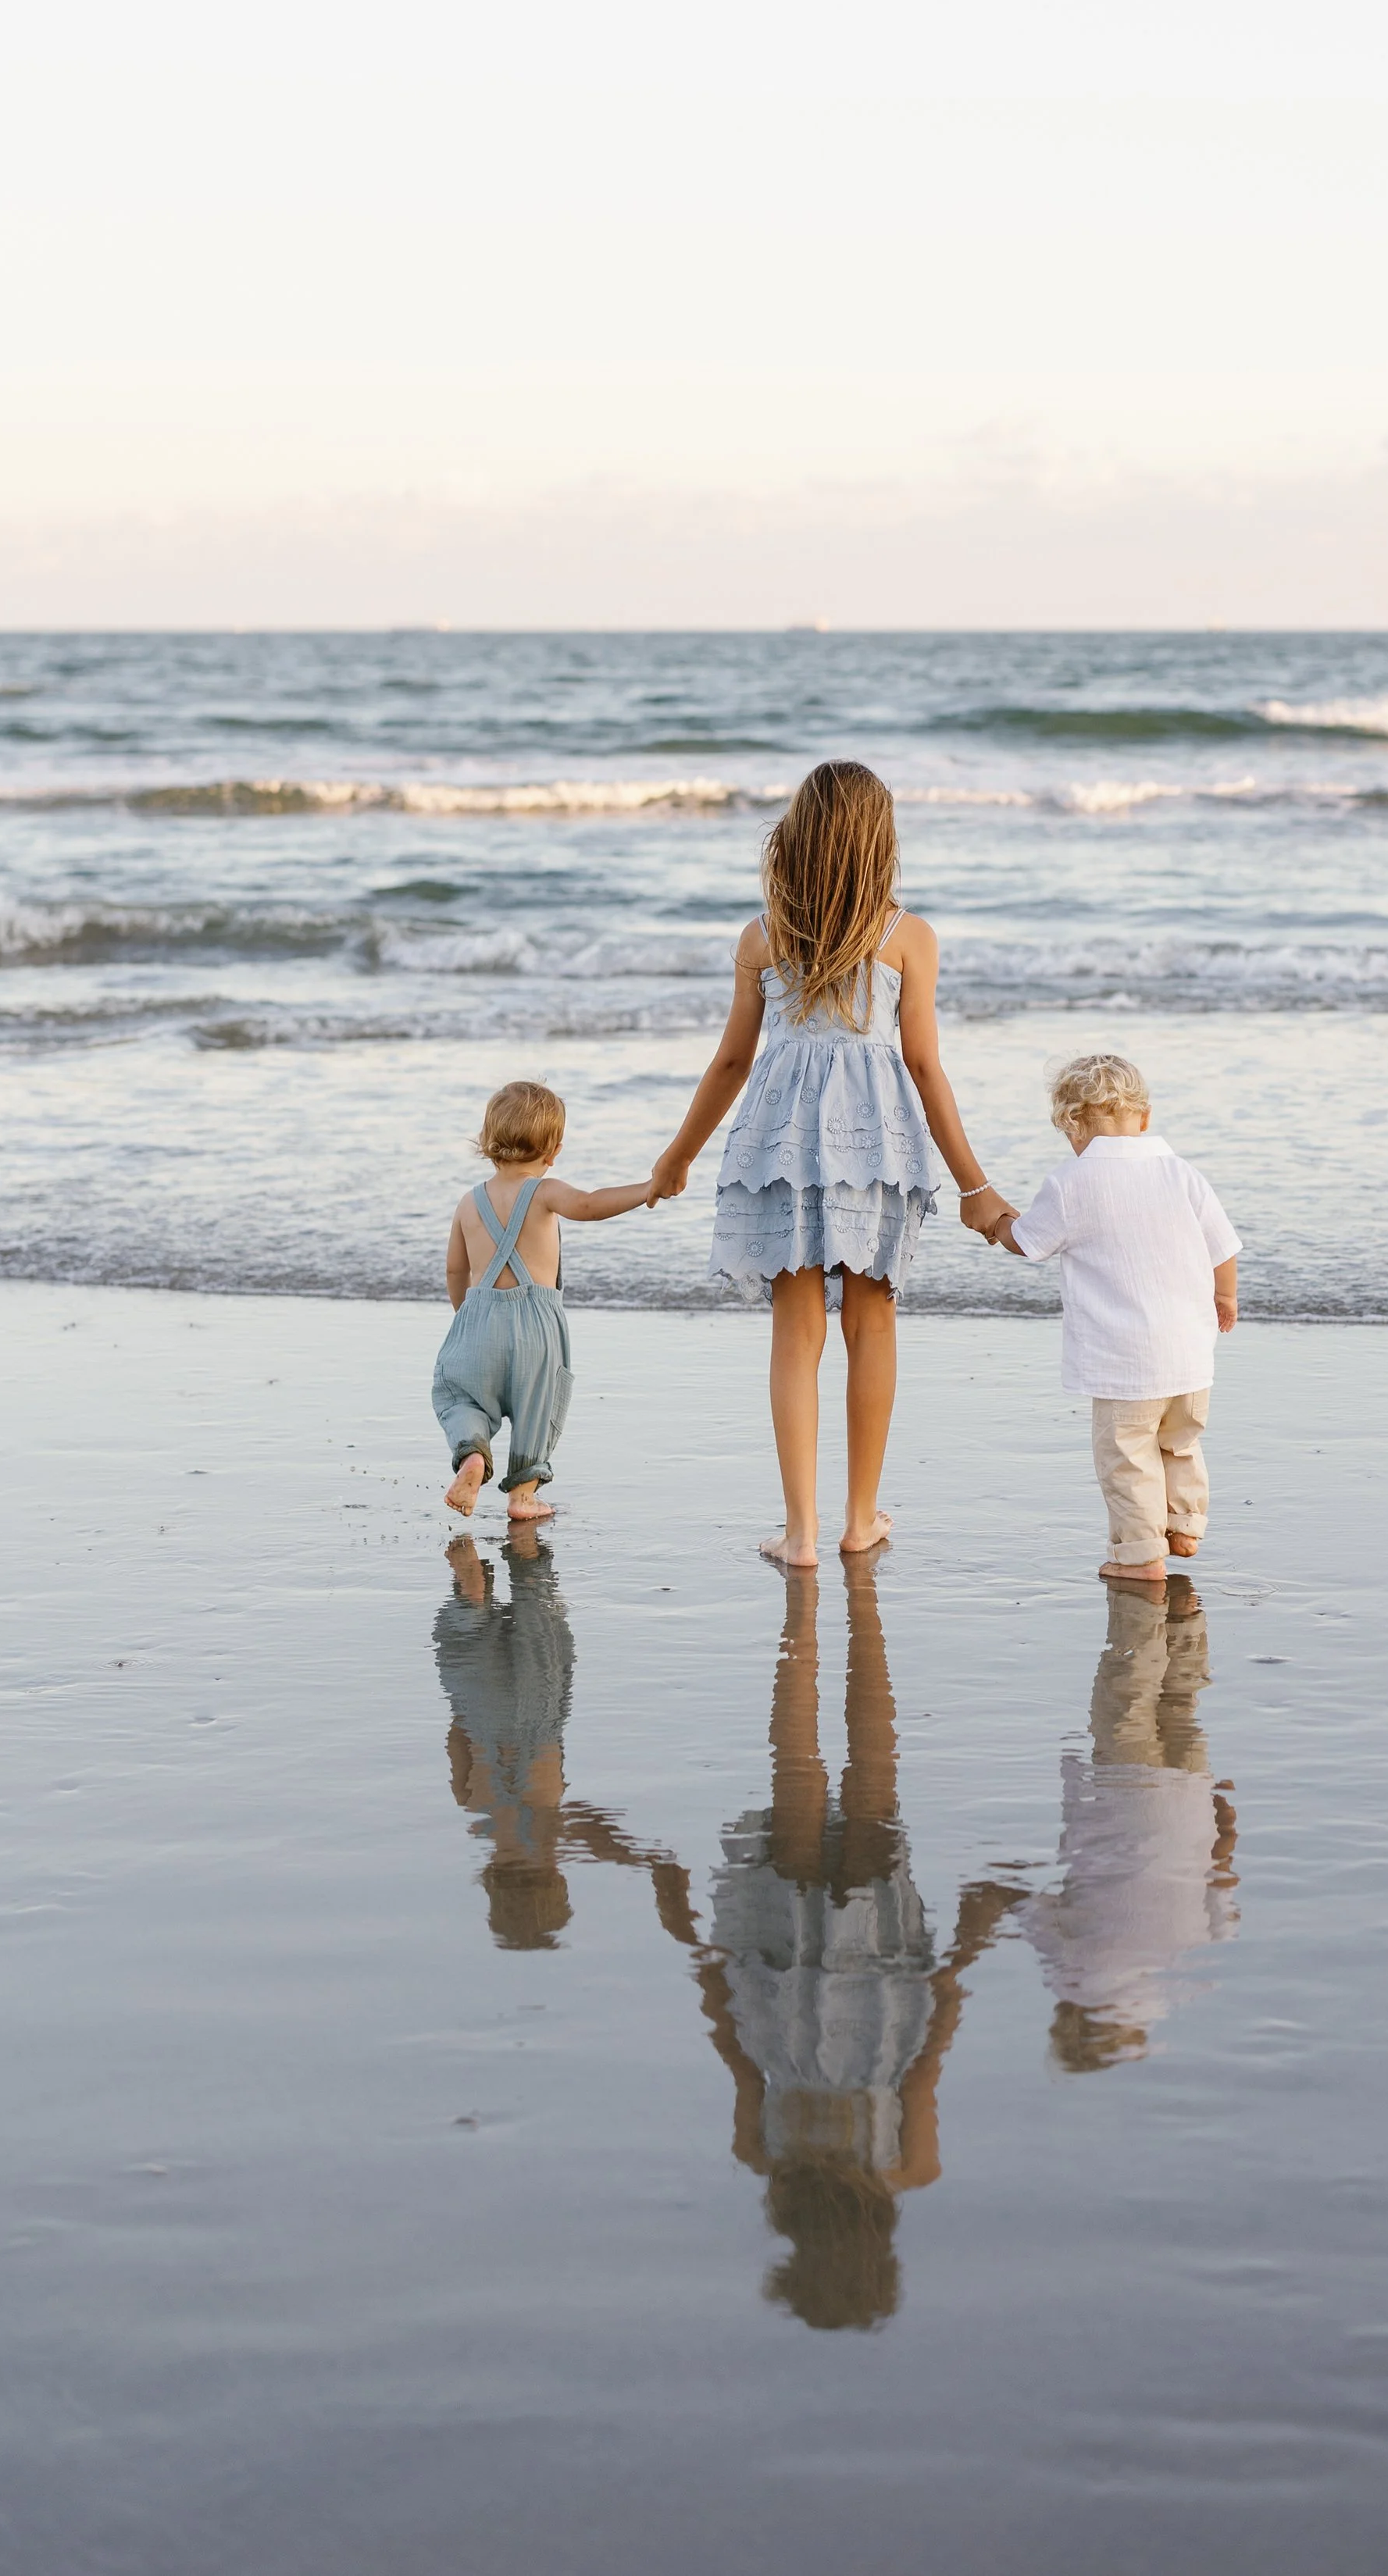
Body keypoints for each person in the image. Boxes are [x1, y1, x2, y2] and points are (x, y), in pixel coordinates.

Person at [648, 760, 1012, 1566]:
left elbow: (731, 1065)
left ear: (798, 835)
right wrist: (975, 1186)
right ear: (879, 841)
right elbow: (923, 1066)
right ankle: (858, 1519)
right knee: (872, 1320)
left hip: (780, 1136)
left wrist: (676, 1158)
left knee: (796, 1328)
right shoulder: (907, 936)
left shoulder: (763, 936)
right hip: (872, 1140)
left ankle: (803, 1534)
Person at [690, 1557, 1025, 2328]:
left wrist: (965, 1949)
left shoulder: (907, 2167)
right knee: (796, 1771)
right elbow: (735, 2049)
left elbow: (931, 2044)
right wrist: (708, 1962)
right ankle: (809, 1622)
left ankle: (839, 1621)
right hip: (779, 1962)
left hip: (879, 1965)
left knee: (874, 1775)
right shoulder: (766, 2159)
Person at [988, 1051, 1240, 1586]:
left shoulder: (1072, 1182)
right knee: (1181, 1442)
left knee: (1128, 1457)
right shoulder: (1182, 1173)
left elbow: (1029, 1243)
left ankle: (1141, 1555)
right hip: (1191, 1356)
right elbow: (1224, 1245)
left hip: (1125, 1363)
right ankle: (1186, 1524)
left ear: (1071, 1127)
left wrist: (998, 1222)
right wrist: (1226, 1297)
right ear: (1144, 1119)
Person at [434, 1523, 697, 1954]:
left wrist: (648, 1860)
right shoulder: (475, 1811)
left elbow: (595, 1834)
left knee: (534, 1589)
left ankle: (519, 1523)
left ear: (556, 1881)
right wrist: (466, 1700)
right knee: (469, 1610)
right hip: (479, 1703)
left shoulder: (544, 1837)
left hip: (536, 1707)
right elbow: (456, 1738)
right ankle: (470, 1576)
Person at [1021, 1584, 1240, 2071]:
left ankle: (1184, 1611)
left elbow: (1223, 1870)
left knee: (1181, 1701)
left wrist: (1221, 1810)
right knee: (1129, 1690)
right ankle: (1146, 1593)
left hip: (1190, 1794)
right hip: (1127, 1783)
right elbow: (1028, 1906)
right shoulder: (1071, 1975)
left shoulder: (1183, 1976)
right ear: (1070, 2019)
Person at [434, 1078, 655, 1520]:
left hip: (477, 1322)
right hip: (535, 1326)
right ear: (553, 1151)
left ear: (488, 1141)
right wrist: (647, 1189)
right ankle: (523, 1496)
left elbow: (456, 1270)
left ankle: (473, 1453)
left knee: (461, 1398)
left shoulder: (468, 1202)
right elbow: (591, 1204)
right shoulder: (546, 1191)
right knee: (539, 1405)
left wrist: (467, 1315)